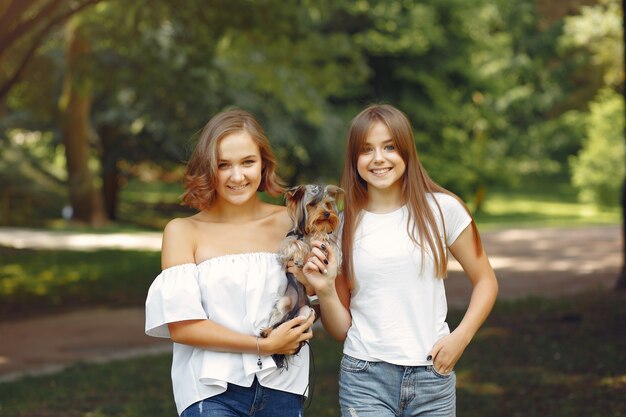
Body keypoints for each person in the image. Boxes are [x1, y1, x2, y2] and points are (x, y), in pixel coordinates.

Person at [302, 104, 498, 416]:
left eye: (389, 147)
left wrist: (460, 338)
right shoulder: (341, 226)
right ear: (354, 159)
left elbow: (486, 281)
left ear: (406, 151)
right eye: (367, 149)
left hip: (432, 376)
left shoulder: (444, 210)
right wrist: (324, 291)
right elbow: (342, 331)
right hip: (364, 378)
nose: (379, 158)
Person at [144, 109, 328, 417]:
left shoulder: (291, 223)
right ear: (207, 168)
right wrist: (262, 345)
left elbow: (310, 298)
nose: (237, 176)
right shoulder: (183, 231)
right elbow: (182, 326)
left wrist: (306, 314)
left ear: (264, 163)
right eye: (223, 165)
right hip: (211, 390)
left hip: (284, 385)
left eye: (247, 162)